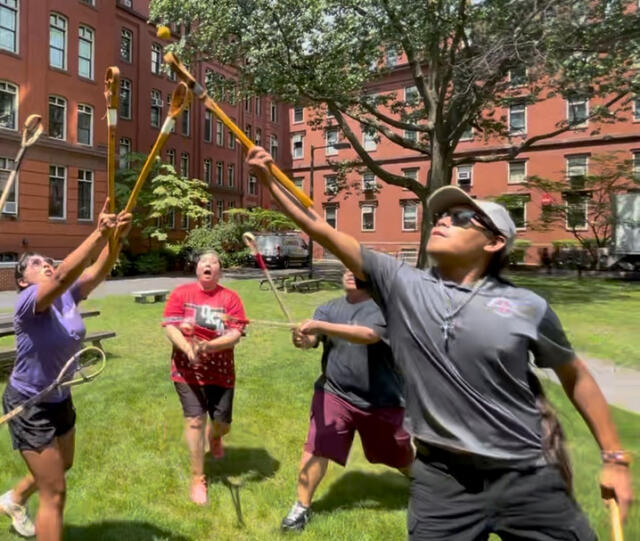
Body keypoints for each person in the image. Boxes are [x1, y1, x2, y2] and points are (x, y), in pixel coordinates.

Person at [247, 147, 632, 540]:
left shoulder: (526, 306)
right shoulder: (404, 286)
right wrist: (269, 181)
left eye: (461, 217)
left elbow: (575, 376)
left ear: (494, 242)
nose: (444, 219)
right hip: (443, 480)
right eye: (441, 215)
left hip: (525, 472)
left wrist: (614, 457)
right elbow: (322, 229)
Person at [0, 201, 131, 540]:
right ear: (23, 282)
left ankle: (13, 499)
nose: (46, 264)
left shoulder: (67, 297)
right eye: (36, 264)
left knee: (63, 464)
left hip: (59, 396)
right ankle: (25, 506)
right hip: (28, 402)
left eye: (46, 261)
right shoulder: (28, 304)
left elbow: (96, 272)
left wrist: (116, 240)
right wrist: (99, 233)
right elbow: (63, 273)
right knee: (55, 493)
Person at [281, 269, 412, 532]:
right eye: (346, 268)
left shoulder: (385, 307)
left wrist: (320, 326)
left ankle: (428, 485)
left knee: (398, 455)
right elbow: (311, 340)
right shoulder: (328, 308)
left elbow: (368, 335)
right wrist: (301, 339)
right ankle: (301, 508)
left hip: (381, 399)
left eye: (359, 269)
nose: (350, 273)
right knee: (319, 445)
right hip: (334, 392)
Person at [161, 250, 247, 505]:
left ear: (219, 271)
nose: (208, 265)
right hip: (187, 370)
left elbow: (235, 333)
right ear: (196, 269)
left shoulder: (230, 298)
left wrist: (208, 347)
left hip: (220, 371)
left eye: (214, 262)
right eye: (203, 262)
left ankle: (216, 436)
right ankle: (198, 478)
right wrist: (188, 349)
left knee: (222, 423)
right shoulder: (181, 294)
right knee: (195, 421)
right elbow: (170, 326)